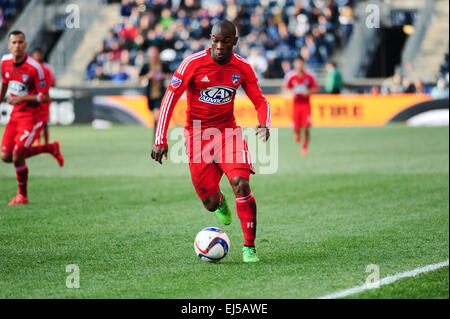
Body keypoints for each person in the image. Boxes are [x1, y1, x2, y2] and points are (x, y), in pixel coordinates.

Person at [151, 20, 271, 263]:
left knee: (241, 183)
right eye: (215, 41)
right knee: (209, 202)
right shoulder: (192, 63)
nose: (219, 46)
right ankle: (220, 203)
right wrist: (160, 138)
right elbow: (169, 100)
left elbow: (261, 101)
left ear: (234, 42)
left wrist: (264, 123)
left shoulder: (243, 67)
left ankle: (249, 246)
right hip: (197, 137)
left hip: (229, 134)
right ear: (210, 39)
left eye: (225, 41)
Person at [0, 30, 64, 206]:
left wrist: (22, 98)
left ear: (25, 45)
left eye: (20, 42)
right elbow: (4, 84)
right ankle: (49, 148)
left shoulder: (35, 68)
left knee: (17, 154)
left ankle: (22, 195)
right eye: (14, 42)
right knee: (5, 156)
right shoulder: (4, 62)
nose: (17, 46)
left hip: (32, 116)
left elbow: (44, 97)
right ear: (9, 45)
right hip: (15, 116)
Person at [283, 56, 319, 155]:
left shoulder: (309, 76)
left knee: (307, 127)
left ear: (303, 64)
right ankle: (297, 133)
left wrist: (308, 92)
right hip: (296, 104)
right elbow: (285, 88)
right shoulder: (290, 76)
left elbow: (316, 88)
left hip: (306, 104)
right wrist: (291, 92)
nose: (298, 65)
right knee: (295, 127)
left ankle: (304, 147)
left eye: (300, 63)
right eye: (297, 63)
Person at [139, 46, 170, 141]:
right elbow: (140, 78)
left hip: (160, 93)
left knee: (157, 114)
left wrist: (162, 76)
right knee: (154, 115)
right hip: (150, 93)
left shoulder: (163, 64)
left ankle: (157, 135)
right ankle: (157, 133)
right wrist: (148, 76)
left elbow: (170, 74)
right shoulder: (146, 65)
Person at [31, 47, 56, 145]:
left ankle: (45, 143)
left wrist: (44, 83)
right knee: (34, 122)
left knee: (44, 123)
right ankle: (37, 143)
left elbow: (53, 82)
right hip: (33, 99)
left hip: (44, 100)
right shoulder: (29, 67)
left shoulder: (47, 68)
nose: (38, 56)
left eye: (39, 54)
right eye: (36, 54)